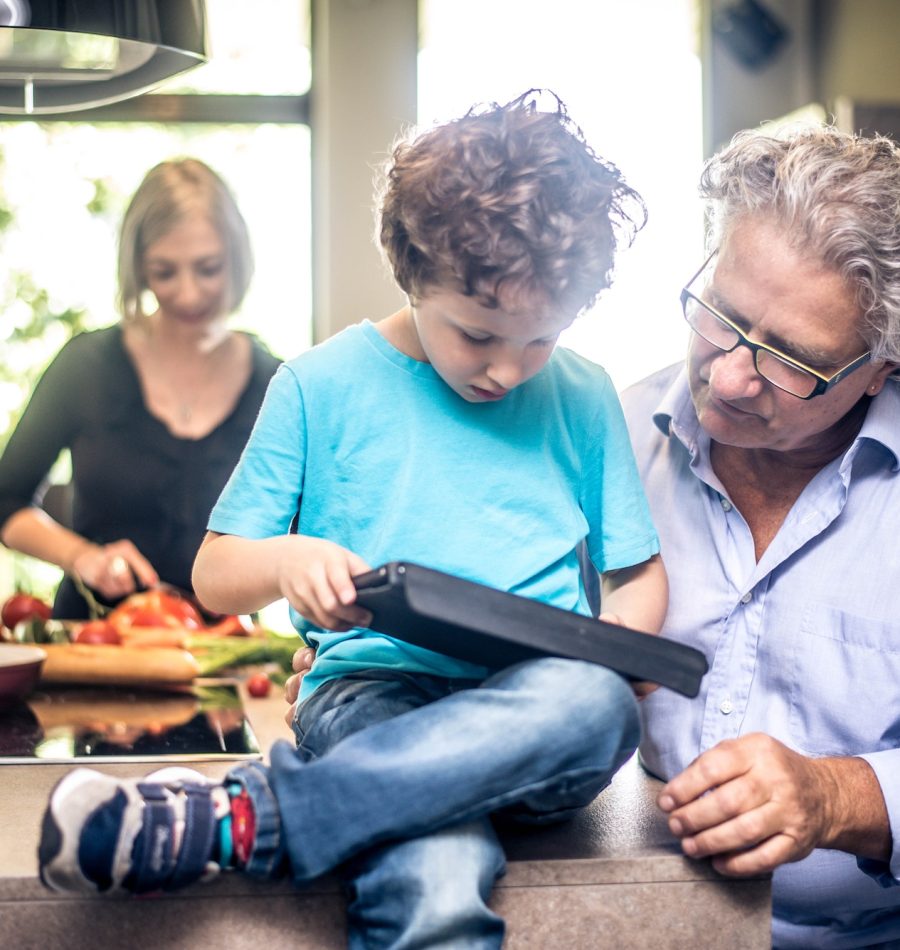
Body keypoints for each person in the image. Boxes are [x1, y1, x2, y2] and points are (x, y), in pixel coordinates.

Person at [36, 91, 668, 948]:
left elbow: (634, 574)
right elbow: (218, 572)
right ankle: (292, 814)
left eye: (539, 339)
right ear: (411, 270)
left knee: (596, 704)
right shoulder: (316, 386)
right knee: (433, 874)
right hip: (372, 694)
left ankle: (238, 823)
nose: (508, 370)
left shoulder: (586, 395)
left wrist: (623, 645)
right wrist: (291, 559)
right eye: (479, 334)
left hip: (532, 707)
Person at [621, 124, 900, 947]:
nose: (729, 376)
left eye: (794, 360)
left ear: (882, 365)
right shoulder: (609, 437)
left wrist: (837, 796)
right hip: (615, 918)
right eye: (722, 316)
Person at [0, 158, 281, 618]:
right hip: (94, 638)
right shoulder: (85, 365)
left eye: (207, 268)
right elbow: (6, 500)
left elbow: (310, 536)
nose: (188, 294)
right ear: (136, 268)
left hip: (222, 659)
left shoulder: (276, 384)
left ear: (237, 259)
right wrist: (82, 557)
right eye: (164, 272)